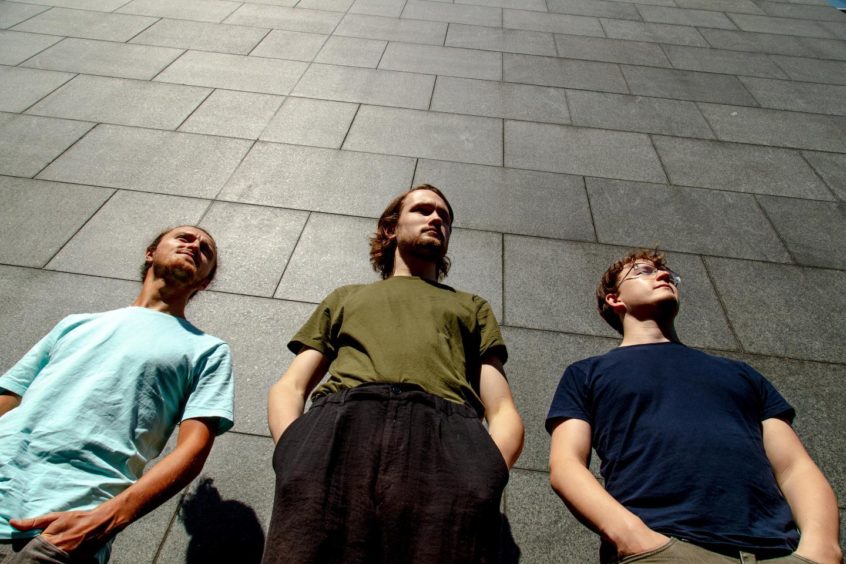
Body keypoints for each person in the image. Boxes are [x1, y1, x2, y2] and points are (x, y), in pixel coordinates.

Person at [264, 184, 524, 563]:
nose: (437, 218)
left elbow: (501, 408)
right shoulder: (345, 297)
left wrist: (484, 473)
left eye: (445, 217)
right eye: (423, 210)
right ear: (390, 228)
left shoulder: (471, 306)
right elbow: (292, 384)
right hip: (340, 428)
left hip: (445, 439)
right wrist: (296, 453)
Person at [546, 248, 842, 564]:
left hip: (778, 553)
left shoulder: (740, 373)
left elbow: (794, 466)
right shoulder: (587, 374)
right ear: (614, 299)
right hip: (664, 549)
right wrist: (635, 538)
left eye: (667, 273)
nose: (663, 275)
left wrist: (822, 548)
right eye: (644, 271)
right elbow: (566, 464)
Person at [0, 226, 235, 564]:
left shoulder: (208, 351)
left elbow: (193, 449)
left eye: (206, 250)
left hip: (60, 531)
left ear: (204, 282)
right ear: (150, 253)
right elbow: (9, 399)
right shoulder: (75, 324)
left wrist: (105, 520)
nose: (195, 245)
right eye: (184, 238)